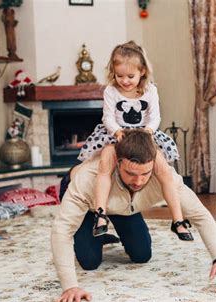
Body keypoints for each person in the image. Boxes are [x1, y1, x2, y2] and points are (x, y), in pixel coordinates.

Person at [52, 130, 216, 302]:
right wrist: (70, 286)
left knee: (142, 255)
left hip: (124, 206)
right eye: (131, 174)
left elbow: (200, 216)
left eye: (144, 174)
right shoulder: (87, 180)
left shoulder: (165, 177)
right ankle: (97, 234)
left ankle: (105, 232)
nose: (138, 181)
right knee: (89, 261)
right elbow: (62, 230)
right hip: (91, 207)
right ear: (117, 163)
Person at [75, 40, 192, 241]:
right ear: (113, 72)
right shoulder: (111, 91)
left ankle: (178, 220)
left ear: (143, 71)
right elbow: (108, 117)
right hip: (116, 134)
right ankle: (100, 214)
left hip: (144, 134)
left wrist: (149, 130)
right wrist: (117, 131)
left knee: (164, 171)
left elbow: (155, 116)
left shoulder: (150, 90)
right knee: (105, 165)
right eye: (119, 76)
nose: (125, 81)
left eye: (130, 76)